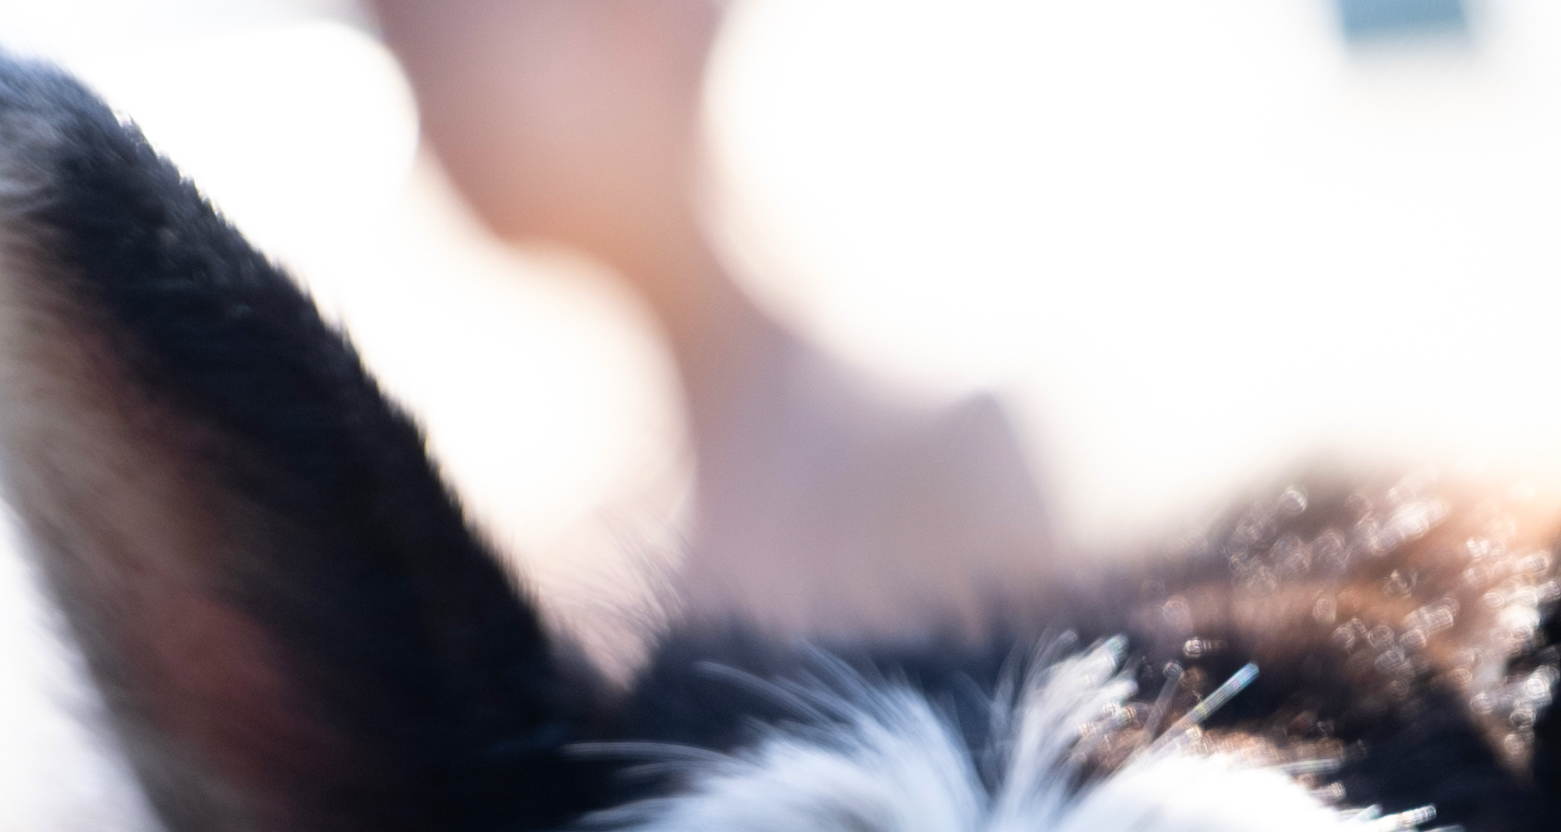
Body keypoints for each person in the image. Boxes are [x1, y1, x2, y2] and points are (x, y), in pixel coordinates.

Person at [376, 0, 1058, 632]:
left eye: (447, 35)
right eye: (408, 51)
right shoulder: (582, 554)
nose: (433, 109)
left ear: (639, 25)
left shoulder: (937, 466)